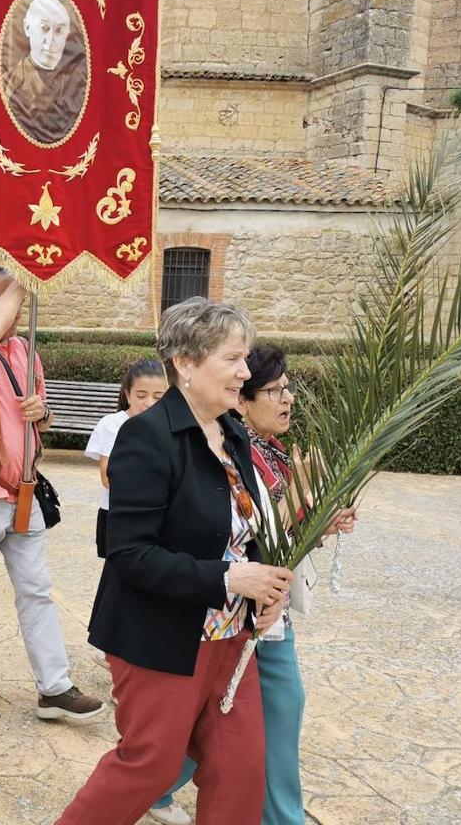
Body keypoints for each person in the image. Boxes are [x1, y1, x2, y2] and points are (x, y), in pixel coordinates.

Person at [54, 297, 296, 825]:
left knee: (240, 768)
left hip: (231, 635)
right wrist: (229, 576)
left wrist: (268, 588)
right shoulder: (146, 437)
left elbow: (242, 527)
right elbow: (129, 553)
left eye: (246, 357)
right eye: (233, 358)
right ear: (185, 364)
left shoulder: (232, 432)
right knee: (151, 764)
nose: (245, 371)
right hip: (161, 638)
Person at [151, 345, 358, 825]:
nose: (287, 400)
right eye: (273, 391)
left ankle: (154, 787)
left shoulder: (271, 450)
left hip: (267, 604)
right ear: (242, 401)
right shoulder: (235, 450)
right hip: (242, 607)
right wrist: (305, 496)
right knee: (278, 712)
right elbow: (249, 538)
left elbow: (280, 539)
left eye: (288, 389)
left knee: (225, 723)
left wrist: (322, 522)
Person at [0, 267, 105, 724]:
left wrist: (42, 410)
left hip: (24, 491)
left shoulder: (24, 350)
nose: (15, 320)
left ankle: (54, 687)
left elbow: (40, 420)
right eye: (10, 307)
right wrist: (29, 269)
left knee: (36, 590)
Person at [83, 358, 168, 678]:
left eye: (159, 396)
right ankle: (109, 647)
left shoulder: (171, 423)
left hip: (157, 518)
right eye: (141, 395)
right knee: (118, 581)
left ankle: (129, 647)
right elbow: (108, 476)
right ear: (127, 394)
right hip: (118, 516)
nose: (149, 403)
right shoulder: (112, 425)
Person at [2, 0, 87, 144]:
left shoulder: (80, 83)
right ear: (27, 28)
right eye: (44, 28)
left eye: (59, 31)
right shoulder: (10, 84)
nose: (51, 40)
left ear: (67, 35)